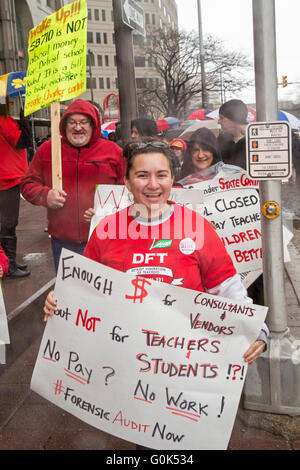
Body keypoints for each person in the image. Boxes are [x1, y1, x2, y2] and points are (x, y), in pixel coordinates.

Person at [44, 138, 268, 448]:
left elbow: (227, 287)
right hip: (131, 367)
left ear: (172, 179)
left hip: (188, 366)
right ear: (126, 181)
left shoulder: (197, 227)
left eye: (161, 175)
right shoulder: (106, 230)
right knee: (147, 443)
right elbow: (85, 291)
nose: (152, 184)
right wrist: (59, 301)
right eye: (142, 175)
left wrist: (256, 329)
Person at [20, 99, 124, 272]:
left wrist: (107, 211)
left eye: (83, 122)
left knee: (104, 293)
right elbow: (27, 184)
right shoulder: (48, 150)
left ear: (93, 125)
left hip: (104, 239)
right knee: (68, 295)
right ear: (64, 124)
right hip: (63, 242)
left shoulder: (113, 152)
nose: (78, 127)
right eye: (72, 122)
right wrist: (45, 196)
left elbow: (128, 190)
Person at [0, 103, 31, 278]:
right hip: (8, 178)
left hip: (3, 177)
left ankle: (7, 261)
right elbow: (22, 142)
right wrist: (25, 120)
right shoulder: (5, 121)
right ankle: (9, 265)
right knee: (8, 223)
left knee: (5, 222)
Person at [178, 127, 243, 185]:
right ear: (190, 153)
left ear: (214, 152)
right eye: (196, 150)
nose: (200, 155)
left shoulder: (233, 174)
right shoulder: (181, 181)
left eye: (206, 149)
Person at [217, 99, 248, 170]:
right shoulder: (221, 140)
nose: (218, 122)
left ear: (233, 118)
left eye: (221, 118)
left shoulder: (254, 141)